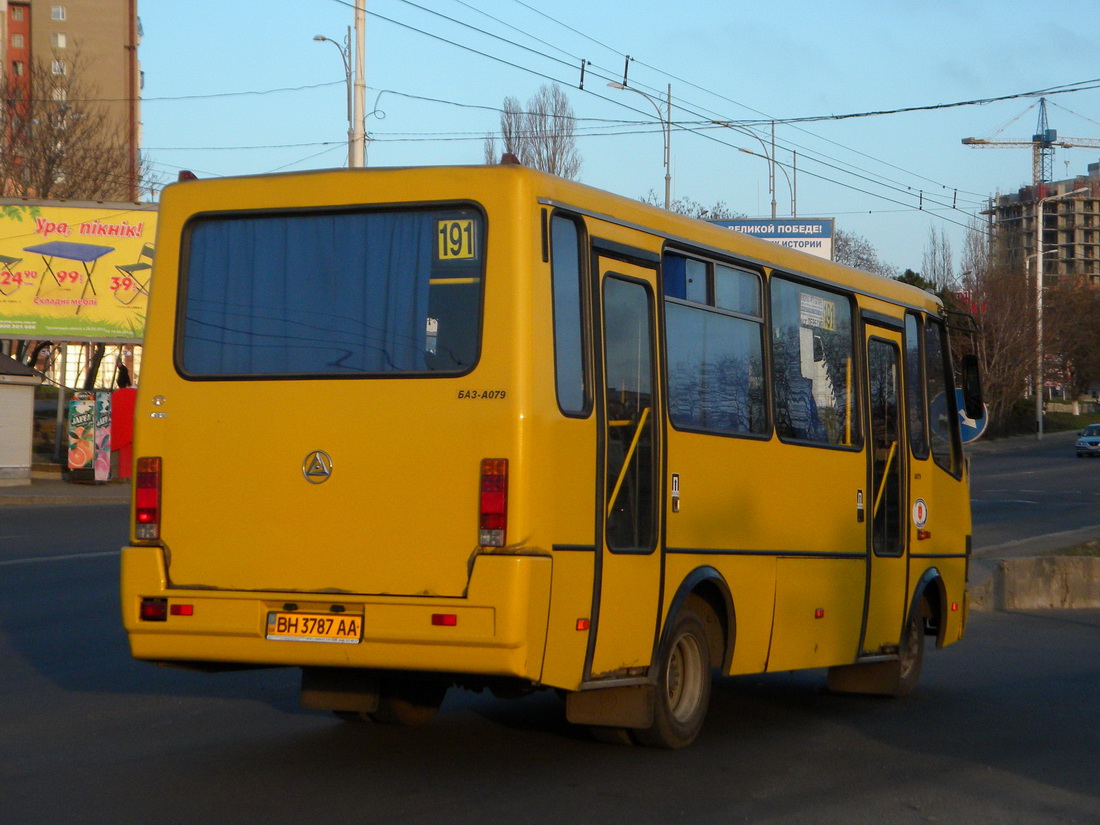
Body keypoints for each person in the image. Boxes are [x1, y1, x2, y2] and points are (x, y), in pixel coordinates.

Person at [111, 365, 137, 480]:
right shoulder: (136, 394)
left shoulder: (116, 395)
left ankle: (119, 476)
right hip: (133, 433)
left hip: (118, 433)